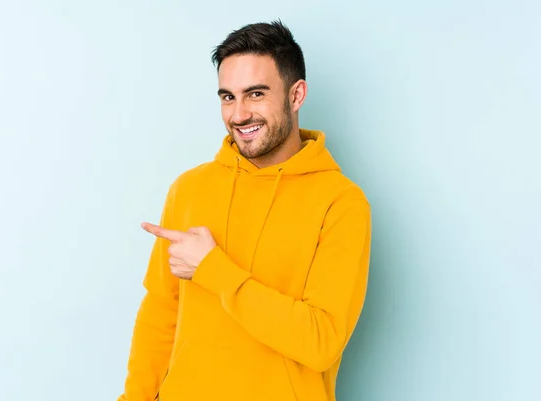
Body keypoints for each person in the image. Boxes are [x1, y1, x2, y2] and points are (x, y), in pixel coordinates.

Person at [117, 19, 372, 401]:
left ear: (296, 94)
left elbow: (320, 341)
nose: (238, 115)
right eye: (227, 97)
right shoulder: (189, 189)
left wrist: (213, 269)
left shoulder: (341, 203)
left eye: (255, 94)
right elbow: (160, 314)